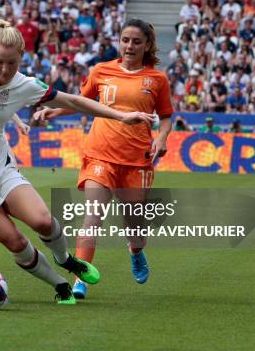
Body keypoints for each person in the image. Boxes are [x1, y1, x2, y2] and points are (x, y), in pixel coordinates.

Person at [0, 19, 155, 304]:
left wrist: (121, 115)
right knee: (15, 241)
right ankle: (59, 285)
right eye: (0, 62)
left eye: (12, 64)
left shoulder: (25, 85)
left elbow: (75, 102)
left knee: (42, 221)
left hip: (0, 168)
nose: (5, 70)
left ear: (21, 60)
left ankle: (66, 260)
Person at [34, 18, 173, 299]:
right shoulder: (101, 70)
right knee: (92, 218)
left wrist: (161, 138)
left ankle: (135, 251)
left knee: (134, 223)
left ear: (147, 45)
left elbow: (167, 117)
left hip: (136, 160)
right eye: (125, 40)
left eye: (136, 41)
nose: (129, 46)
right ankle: (80, 279)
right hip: (100, 154)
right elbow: (79, 101)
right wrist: (52, 112)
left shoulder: (157, 79)